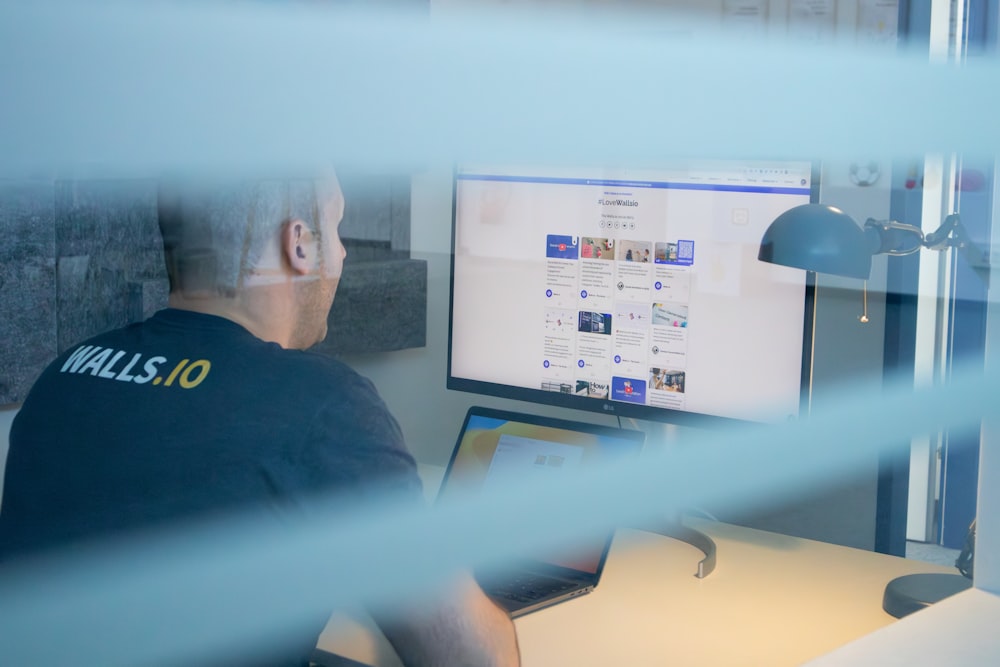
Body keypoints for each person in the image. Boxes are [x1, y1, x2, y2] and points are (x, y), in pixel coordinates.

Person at [0, 172, 520, 667]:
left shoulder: (63, 377)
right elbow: (473, 657)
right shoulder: (323, 406)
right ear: (299, 244)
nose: (340, 251)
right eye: (334, 228)